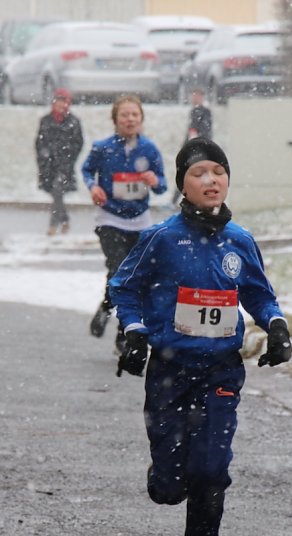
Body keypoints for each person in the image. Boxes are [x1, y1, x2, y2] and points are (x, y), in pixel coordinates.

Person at [109, 137, 292, 536]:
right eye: (199, 173)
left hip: (221, 371)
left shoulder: (240, 241)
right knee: (170, 487)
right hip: (170, 371)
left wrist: (277, 327)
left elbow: (259, 295)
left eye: (218, 171)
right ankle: (166, 476)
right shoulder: (162, 239)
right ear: (182, 185)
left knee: (211, 472)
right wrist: (135, 331)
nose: (211, 180)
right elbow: (124, 286)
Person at [82, 94, 168, 352]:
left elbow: (162, 187)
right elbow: (86, 170)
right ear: (115, 119)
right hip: (110, 218)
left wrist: (154, 181)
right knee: (120, 270)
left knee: (135, 278)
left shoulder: (149, 150)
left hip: (139, 221)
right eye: (125, 115)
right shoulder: (103, 147)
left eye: (135, 115)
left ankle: (120, 326)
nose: (130, 119)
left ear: (141, 119)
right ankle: (113, 314)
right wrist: (93, 186)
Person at [35, 88, 84, 235]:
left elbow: (78, 143)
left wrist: (69, 159)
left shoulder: (73, 122)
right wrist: (43, 158)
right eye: (58, 102)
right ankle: (65, 220)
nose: (61, 106)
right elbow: (39, 142)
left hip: (65, 165)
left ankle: (53, 225)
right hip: (48, 165)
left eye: (64, 102)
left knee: (58, 190)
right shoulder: (46, 121)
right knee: (56, 194)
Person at [171, 88, 213, 206]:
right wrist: (185, 147)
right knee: (185, 174)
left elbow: (205, 132)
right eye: (193, 96)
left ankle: (198, 200)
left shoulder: (205, 112)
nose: (194, 98)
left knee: (196, 175)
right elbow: (190, 132)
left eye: (197, 96)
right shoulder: (193, 111)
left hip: (200, 151)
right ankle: (176, 201)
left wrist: (200, 146)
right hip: (191, 150)